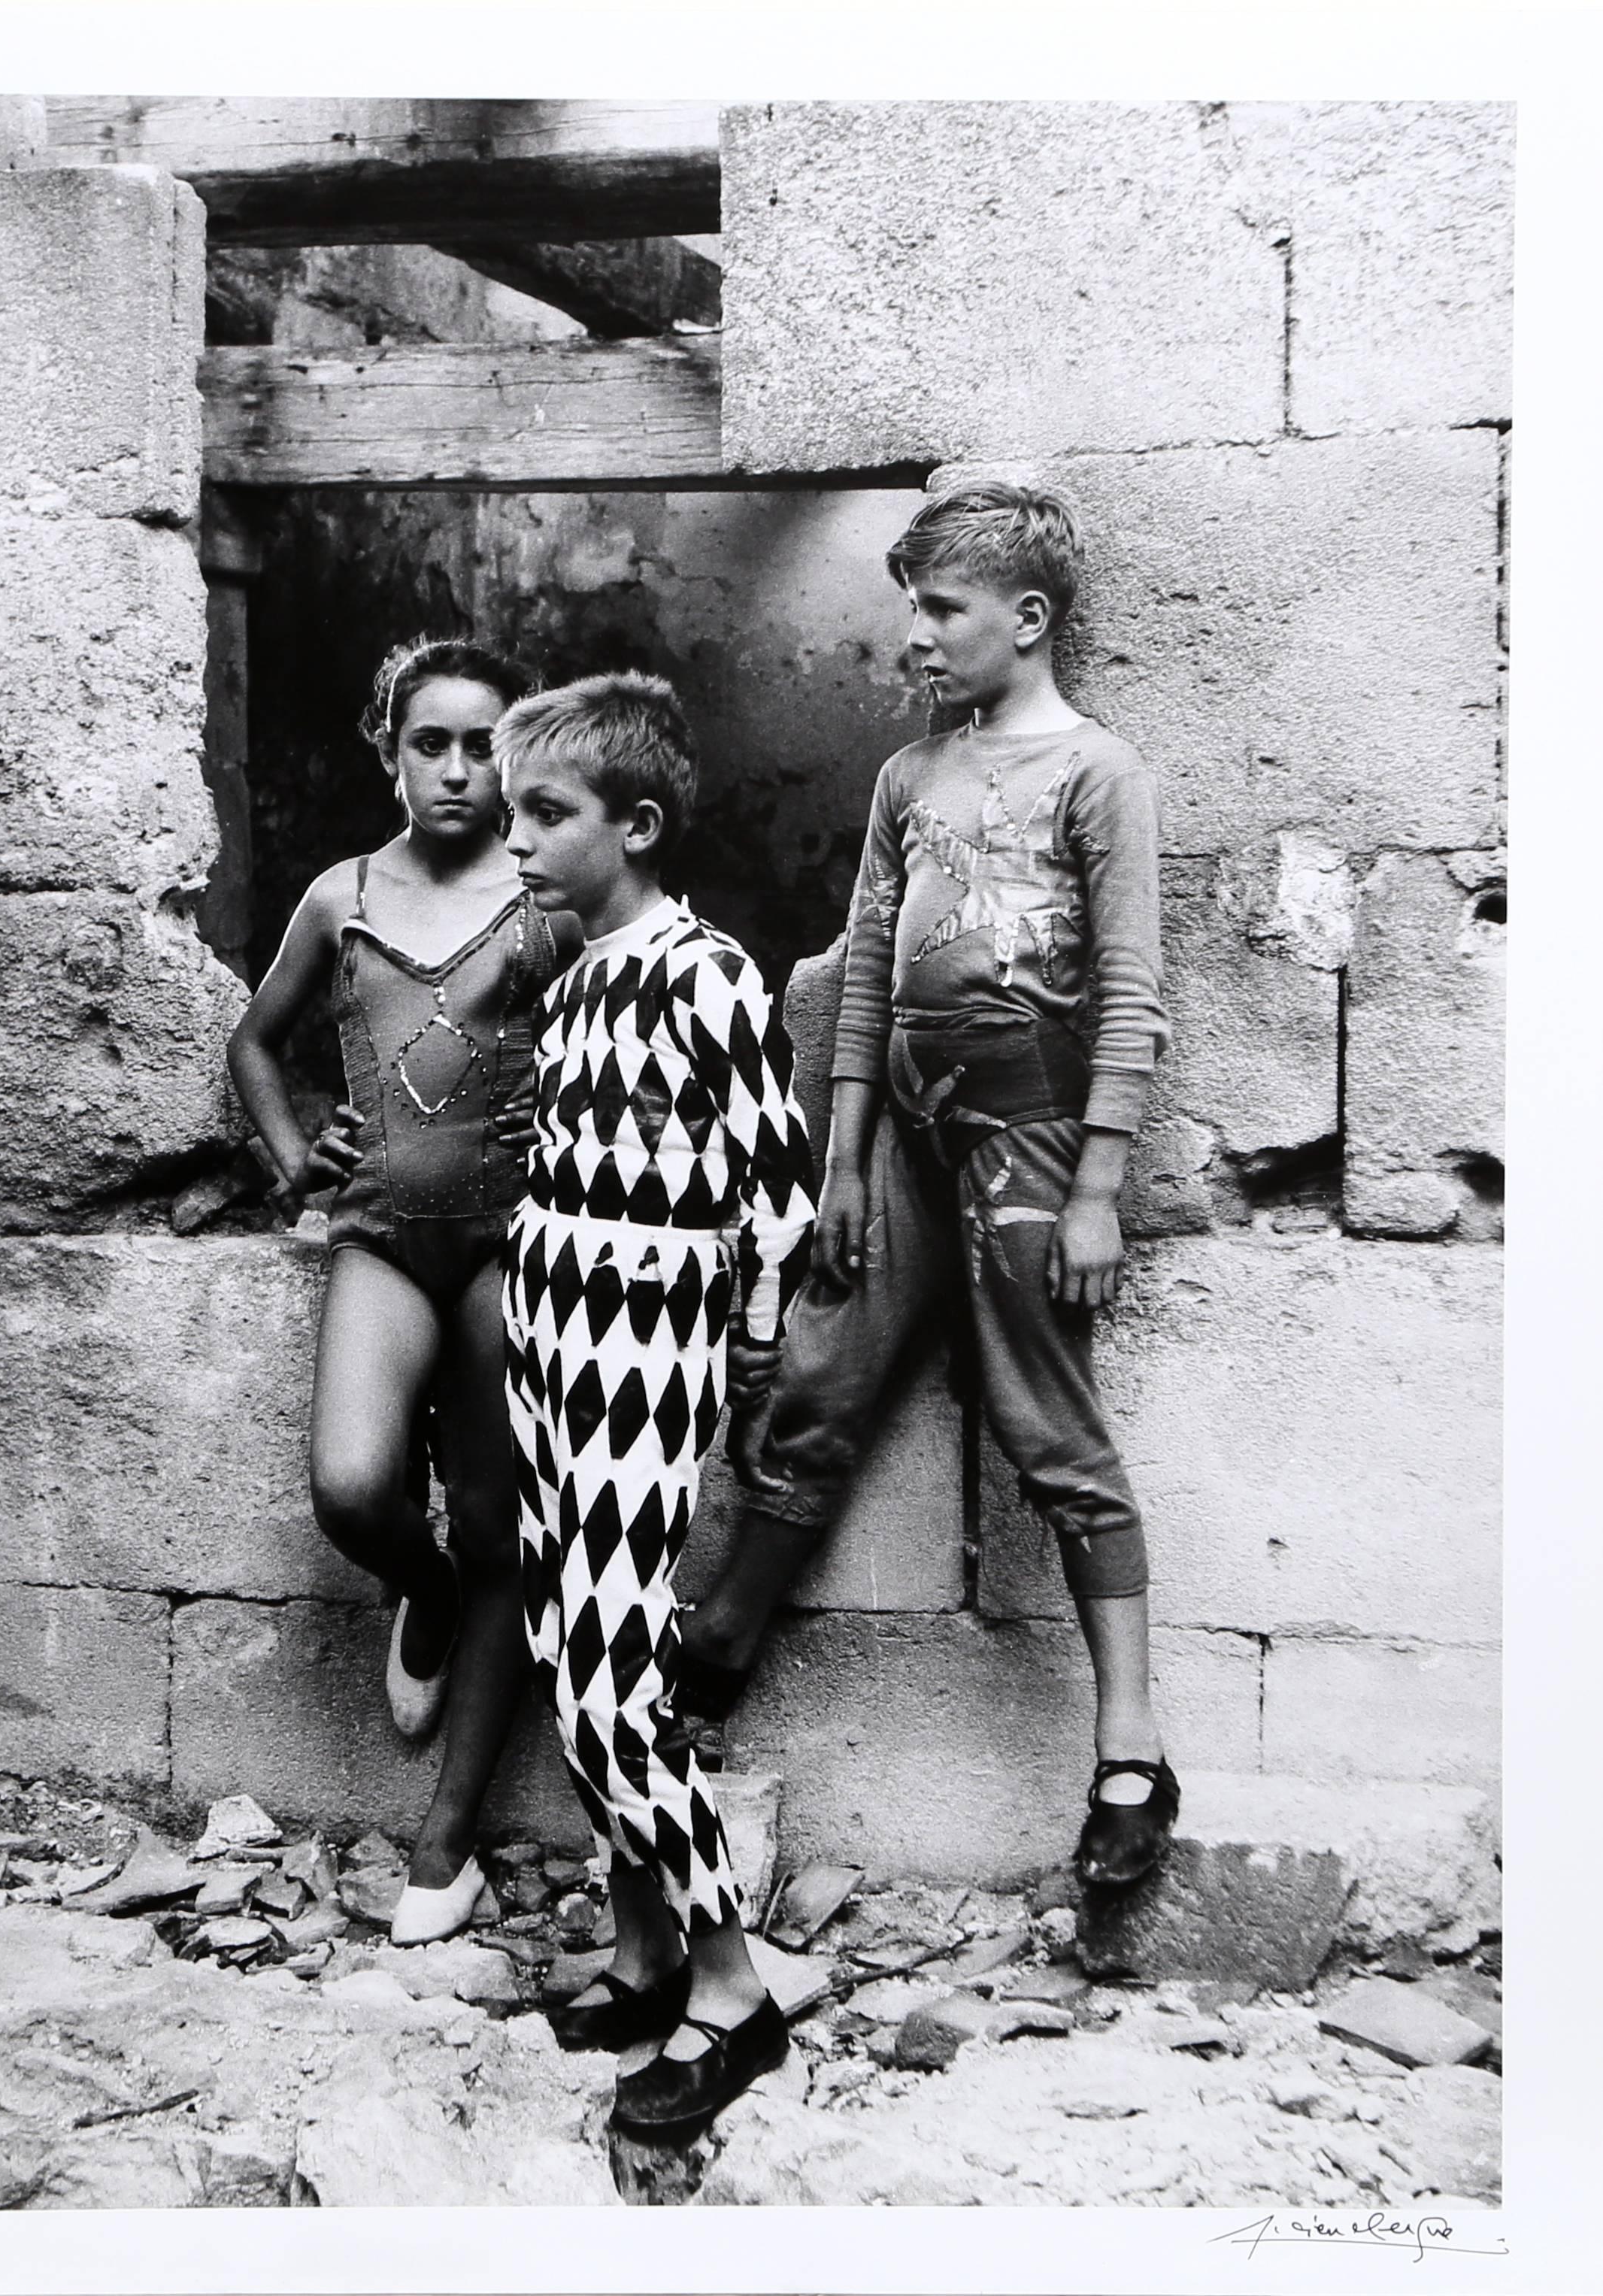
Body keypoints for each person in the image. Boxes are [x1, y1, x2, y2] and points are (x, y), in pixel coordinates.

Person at [674, 480, 1180, 1890]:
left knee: (1041, 1416)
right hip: (896, 1135)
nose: (915, 633)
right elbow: (861, 970)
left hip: (1024, 1142)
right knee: (815, 1370)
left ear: (1026, 620)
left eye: (940, 607)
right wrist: (837, 1156)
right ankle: (721, 1631)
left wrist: (1095, 1184)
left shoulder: (1099, 773)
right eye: (910, 603)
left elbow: (1132, 990)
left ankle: (1128, 1738)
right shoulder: (909, 778)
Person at [497, 671, 816, 2140]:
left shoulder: (710, 974)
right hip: (550, 1340)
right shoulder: (572, 985)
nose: (517, 844)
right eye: (513, 817)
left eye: (544, 817)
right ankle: (640, 1955)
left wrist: (750, 1343)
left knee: (623, 1695)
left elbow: (779, 1190)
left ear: (632, 823)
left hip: (644, 1354)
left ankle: (735, 1995)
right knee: (570, 1657)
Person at [227, 638, 577, 1944]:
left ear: (517, 756)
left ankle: (448, 1840)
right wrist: (290, 1150)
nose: (456, 767)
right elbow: (257, 1040)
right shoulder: (342, 894)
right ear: (390, 750)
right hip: (379, 1234)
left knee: (504, 1528)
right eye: (430, 741)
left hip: (509, 1245)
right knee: (352, 1487)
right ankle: (417, 1588)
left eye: (484, 743)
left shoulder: (546, 898)